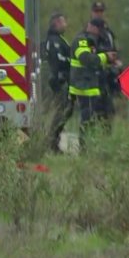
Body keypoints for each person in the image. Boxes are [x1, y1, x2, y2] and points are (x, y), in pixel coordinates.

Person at [69, 18, 118, 149]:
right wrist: (105, 57)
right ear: (91, 26)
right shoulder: (82, 40)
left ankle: (102, 146)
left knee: (105, 117)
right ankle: (84, 148)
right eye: (98, 28)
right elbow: (86, 59)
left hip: (96, 86)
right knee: (87, 119)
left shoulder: (97, 40)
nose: (99, 32)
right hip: (84, 87)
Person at [44, 13, 72, 153]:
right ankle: (51, 142)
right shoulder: (54, 40)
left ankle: (53, 141)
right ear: (56, 23)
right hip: (59, 82)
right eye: (63, 22)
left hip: (64, 80)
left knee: (66, 111)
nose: (65, 25)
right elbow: (58, 60)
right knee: (61, 112)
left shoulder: (59, 39)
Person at [91, 1, 123, 99]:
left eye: (101, 12)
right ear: (92, 13)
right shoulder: (90, 31)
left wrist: (117, 59)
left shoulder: (108, 31)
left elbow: (114, 47)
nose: (99, 14)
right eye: (96, 12)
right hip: (97, 71)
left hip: (111, 70)